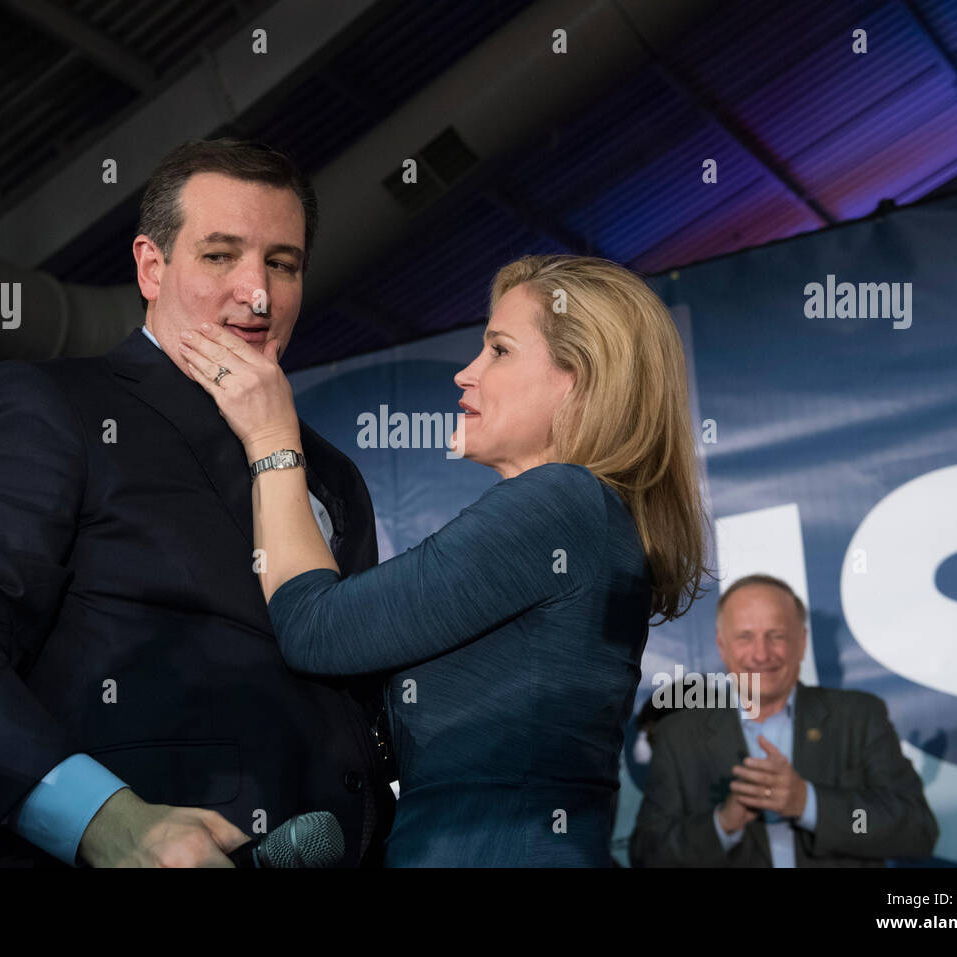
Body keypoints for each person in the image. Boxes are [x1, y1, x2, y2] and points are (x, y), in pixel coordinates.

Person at [0, 139, 393, 868]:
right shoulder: (51, 406)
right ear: (152, 267)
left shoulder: (334, 475)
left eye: (283, 263)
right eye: (221, 255)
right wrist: (104, 819)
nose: (258, 292)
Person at [177, 254, 709, 866]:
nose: (466, 373)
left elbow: (315, 627)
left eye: (500, 351)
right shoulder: (588, 516)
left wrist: (272, 439)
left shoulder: (562, 503)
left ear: (580, 378)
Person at [629, 574, 939, 867]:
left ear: (801, 642)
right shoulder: (680, 735)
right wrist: (722, 824)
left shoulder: (859, 717)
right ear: (722, 646)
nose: (761, 654)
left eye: (775, 636)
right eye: (745, 637)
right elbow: (648, 855)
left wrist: (810, 804)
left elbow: (915, 830)